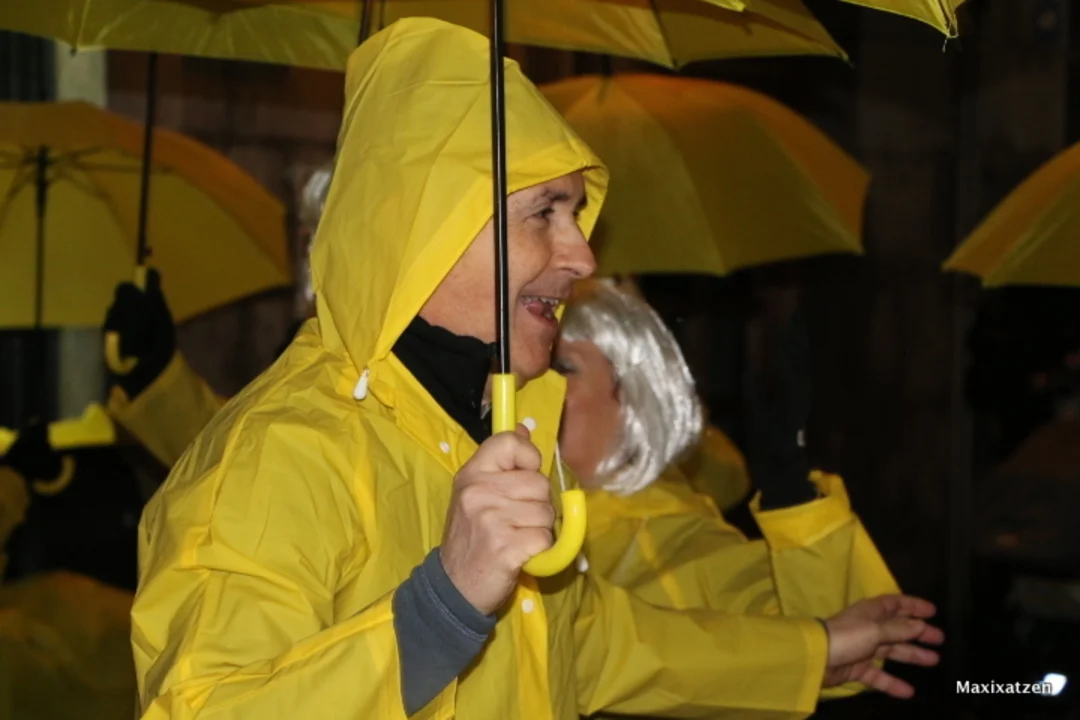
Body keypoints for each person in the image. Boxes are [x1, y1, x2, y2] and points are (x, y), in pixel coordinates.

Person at [131, 20, 941, 719]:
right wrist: (442, 606)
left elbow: (584, 639)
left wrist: (813, 651)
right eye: (543, 213)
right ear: (427, 225)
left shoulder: (494, 429)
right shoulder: (280, 454)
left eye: (576, 212)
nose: (582, 254)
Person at [556, 281, 899, 668]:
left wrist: (791, 494)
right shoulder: (519, 518)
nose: (533, 386)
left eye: (562, 367)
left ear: (632, 393)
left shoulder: (673, 544)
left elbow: (828, 646)